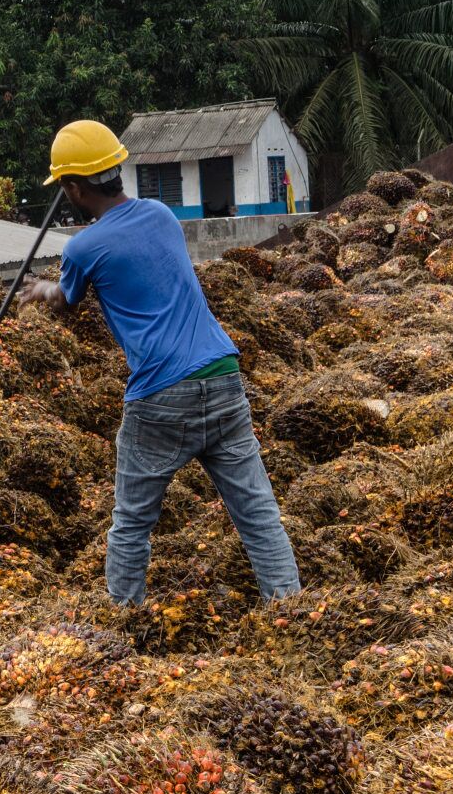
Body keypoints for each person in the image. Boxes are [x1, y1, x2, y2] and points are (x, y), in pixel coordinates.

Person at [20, 119, 300, 608]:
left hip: (160, 395)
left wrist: (41, 289)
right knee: (258, 514)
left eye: (64, 187)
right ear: (116, 169)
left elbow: (67, 299)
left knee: (131, 523)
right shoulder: (162, 215)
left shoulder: (83, 246)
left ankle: (123, 628)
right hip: (223, 377)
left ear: (73, 186)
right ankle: (293, 611)